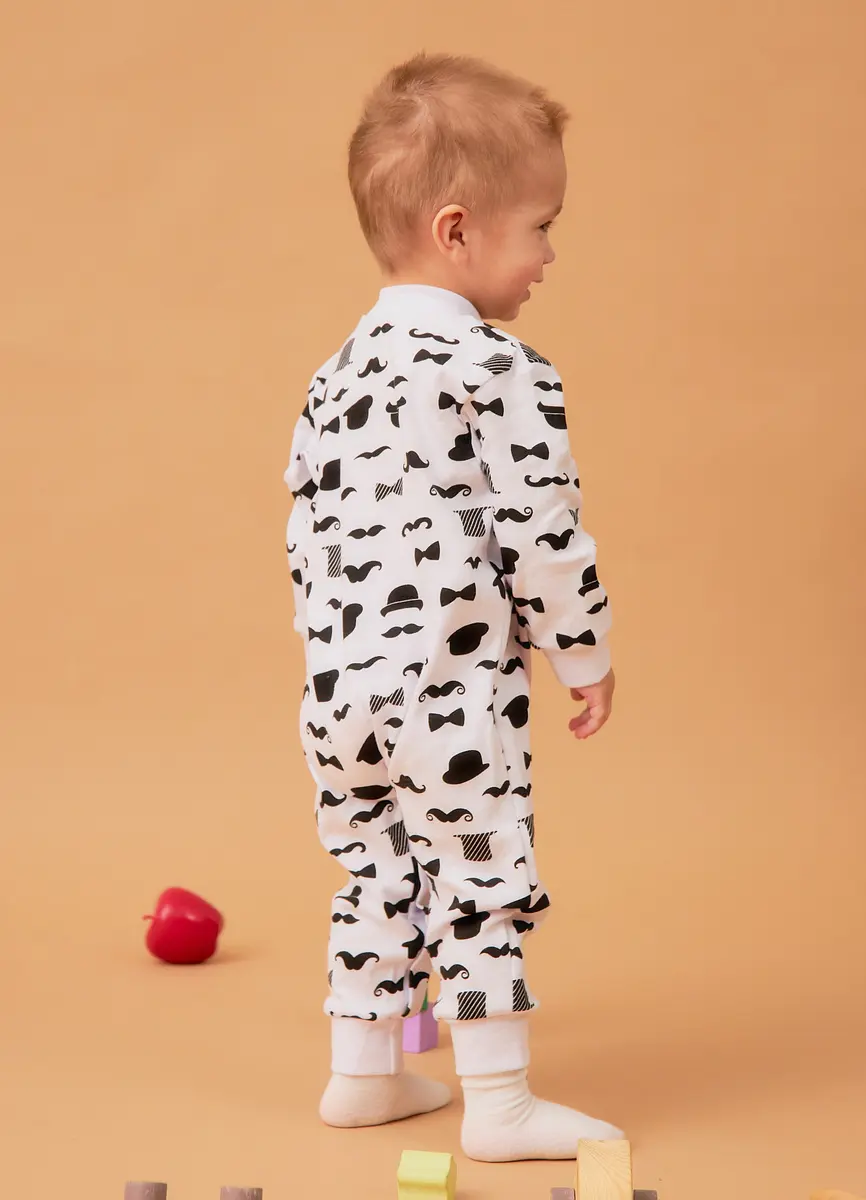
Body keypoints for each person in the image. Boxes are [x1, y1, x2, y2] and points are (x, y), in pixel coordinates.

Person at [283, 51, 620, 1163]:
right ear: (459, 231)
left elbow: (306, 535)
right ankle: (501, 1101)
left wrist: (331, 661)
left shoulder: (334, 375)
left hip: (338, 694)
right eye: (541, 227)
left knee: (375, 868)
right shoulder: (499, 366)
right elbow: (542, 528)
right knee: (482, 879)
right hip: (448, 694)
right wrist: (582, 653)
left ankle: (363, 1072)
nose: (551, 256)